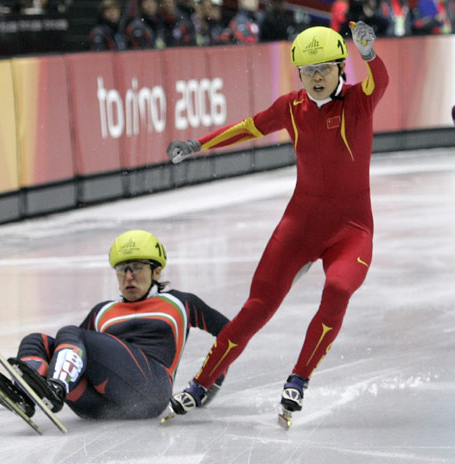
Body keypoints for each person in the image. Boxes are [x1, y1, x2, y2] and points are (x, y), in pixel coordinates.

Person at [165, 22, 389, 422]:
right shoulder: (291, 106)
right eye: (308, 70)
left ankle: (299, 379)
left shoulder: (358, 102)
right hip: (300, 226)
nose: (317, 77)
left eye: (324, 68)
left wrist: (369, 53)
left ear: (341, 67)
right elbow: (248, 127)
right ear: (299, 74)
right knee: (256, 308)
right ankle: (200, 384)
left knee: (338, 288)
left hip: (352, 230)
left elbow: (381, 80)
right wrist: (197, 145)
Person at [0, 230, 229, 420]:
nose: (128, 276)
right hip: (99, 406)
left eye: (137, 268)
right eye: (122, 269)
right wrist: (20, 379)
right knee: (37, 341)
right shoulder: (104, 311)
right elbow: (69, 351)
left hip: (150, 393)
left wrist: (206, 385)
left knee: (73, 334)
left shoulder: (179, 303)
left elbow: (232, 335)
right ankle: (24, 391)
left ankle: (55, 386)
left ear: (157, 271)